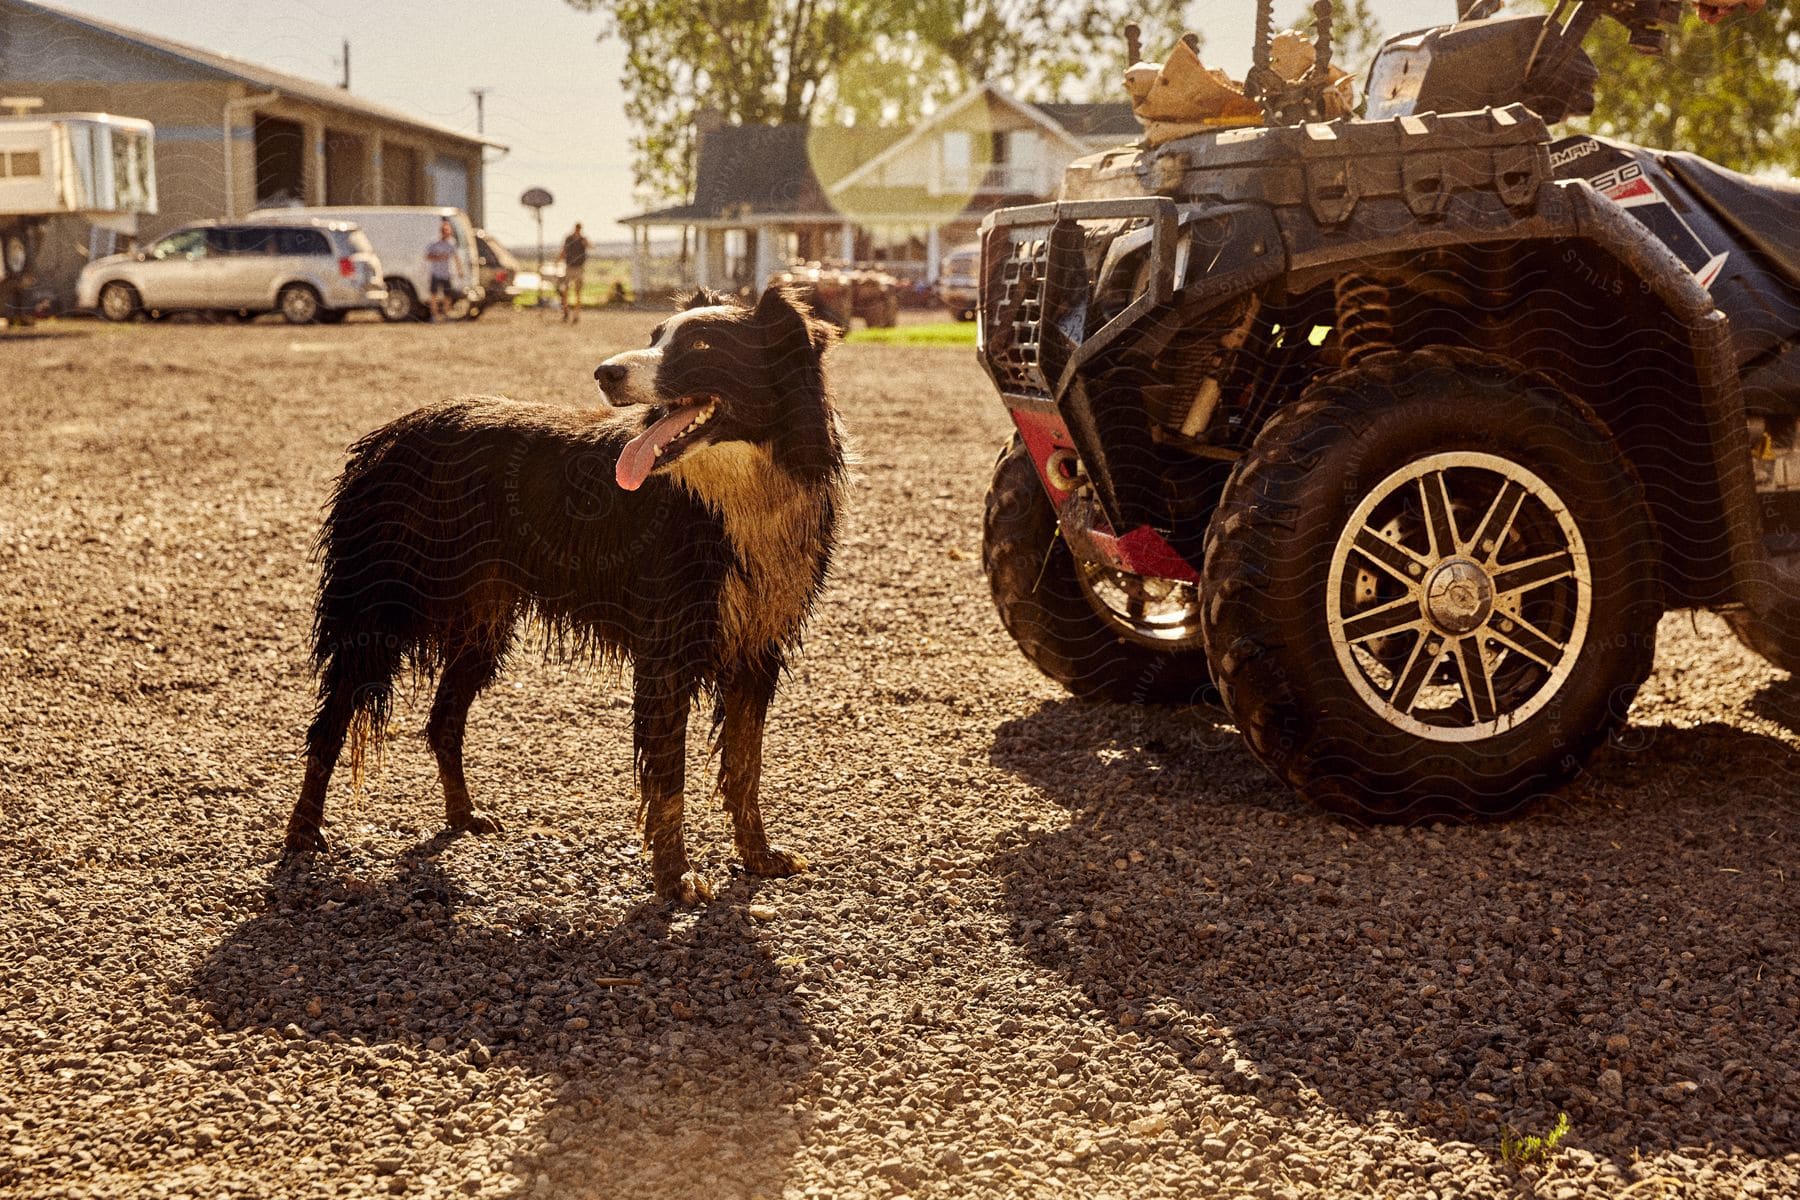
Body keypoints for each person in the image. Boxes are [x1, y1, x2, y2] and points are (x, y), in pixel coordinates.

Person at [425, 219, 461, 322]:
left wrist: (459, 270)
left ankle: (446, 314)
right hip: (435, 272)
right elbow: (427, 256)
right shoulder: (434, 243)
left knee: (447, 295)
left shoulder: (451, 243)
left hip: (446, 273)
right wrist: (439, 257)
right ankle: (434, 315)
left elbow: (456, 258)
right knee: (434, 295)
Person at [557, 222, 589, 324]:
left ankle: (576, 314)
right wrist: (558, 260)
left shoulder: (583, 239)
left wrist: (584, 242)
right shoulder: (569, 239)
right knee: (565, 290)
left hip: (579, 268)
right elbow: (564, 250)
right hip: (570, 267)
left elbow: (590, 246)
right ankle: (566, 312)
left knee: (577, 292)